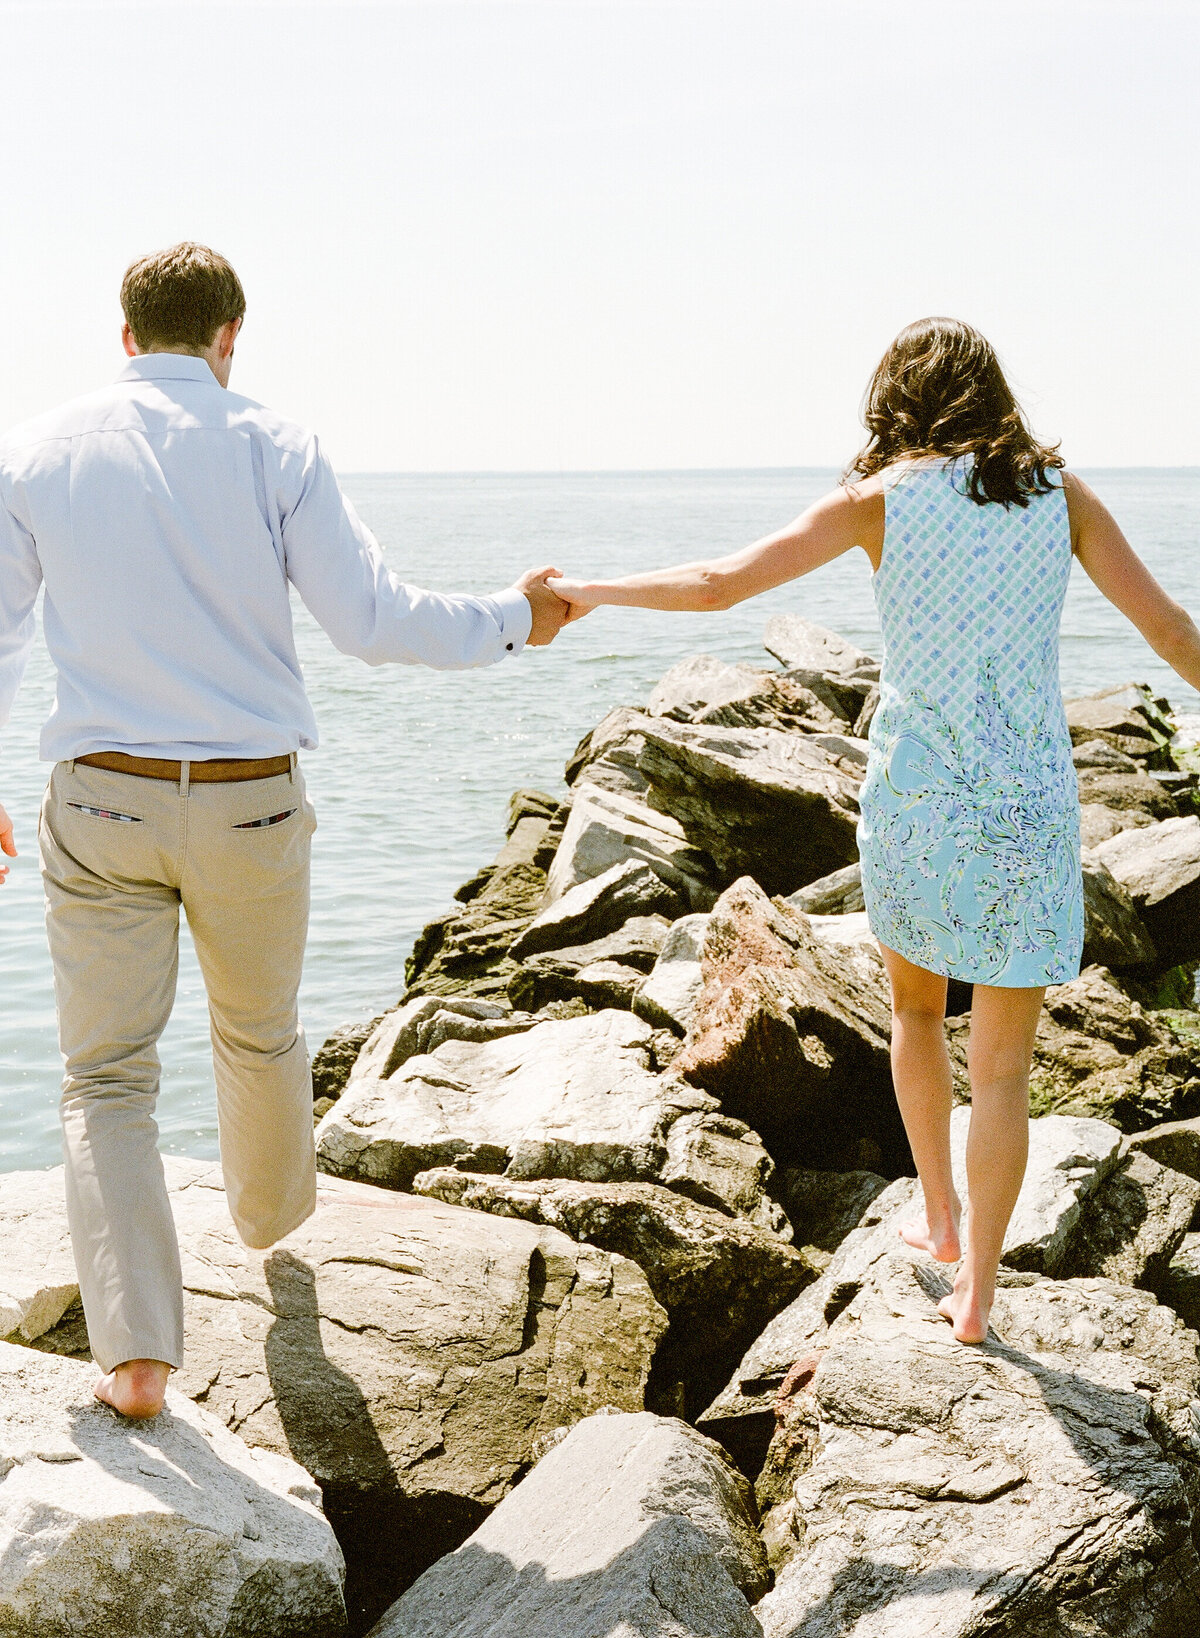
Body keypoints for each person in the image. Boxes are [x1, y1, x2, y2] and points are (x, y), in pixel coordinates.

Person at [548, 316, 1200, 1346]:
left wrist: (589, 590)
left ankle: (935, 1218)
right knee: (1002, 1072)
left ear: (894, 403)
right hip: (1025, 805)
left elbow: (720, 582)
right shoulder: (1060, 499)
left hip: (917, 802)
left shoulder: (875, 506)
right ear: (993, 400)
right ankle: (979, 1292)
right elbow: (1168, 630)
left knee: (913, 1013)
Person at [0, 242, 569, 1420]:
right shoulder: (278, 445)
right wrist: (520, 616)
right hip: (252, 800)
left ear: (124, 335)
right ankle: (268, 1230)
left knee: (105, 1077)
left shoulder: (38, 450)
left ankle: (139, 1357)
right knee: (257, 1036)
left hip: (101, 799)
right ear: (227, 337)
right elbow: (372, 621)